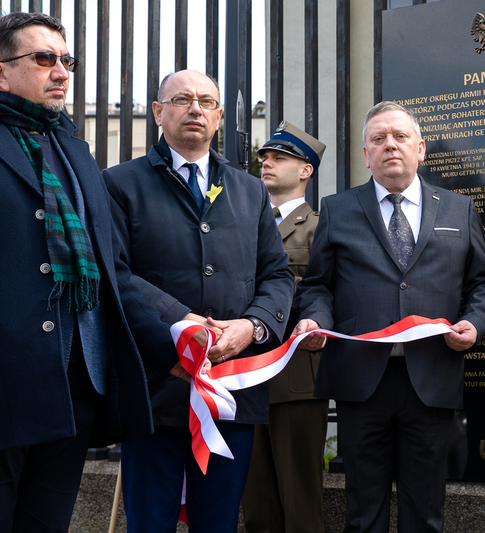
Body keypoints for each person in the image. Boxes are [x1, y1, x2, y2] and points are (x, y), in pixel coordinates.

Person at [0, 12, 187, 532]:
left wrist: (169, 349)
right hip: (0, 388)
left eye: (66, 60)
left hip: (74, 385)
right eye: (43, 59)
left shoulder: (74, 150)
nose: (61, 72)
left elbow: (109, 271)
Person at [293, 101, 485, 532]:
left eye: (400, 136)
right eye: (378, 138)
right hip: (360, 381)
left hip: (432, 376)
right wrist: (316, 319)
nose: (390, 145)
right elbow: (317, 286)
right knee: (363, 514)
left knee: (424, 513)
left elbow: (483, 284)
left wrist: (475, 323)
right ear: (366, 154)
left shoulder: (459, 209)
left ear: (420, 149)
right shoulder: (337, 209)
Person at [102, 69, 294, 533]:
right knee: (150, 523)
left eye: (206, 102)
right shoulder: (120, 184)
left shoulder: (250, 189)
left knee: (218, 523)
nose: (195, 109)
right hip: (156, 387)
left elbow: (277, 275)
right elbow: (115, 272)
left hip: (230, 389)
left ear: (219, 116)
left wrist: (252, 326)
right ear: (157, 112)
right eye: (182, 99)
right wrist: (180, 321)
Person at [241, 121, 328, 533]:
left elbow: (323, 290)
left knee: (299, 503)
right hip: (243, 375)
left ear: (306, 170)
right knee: (257, 503)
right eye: (265, 157)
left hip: (294, 378)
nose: (267, 163)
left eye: (279, 157)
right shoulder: (244, 223)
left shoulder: (320, 226)